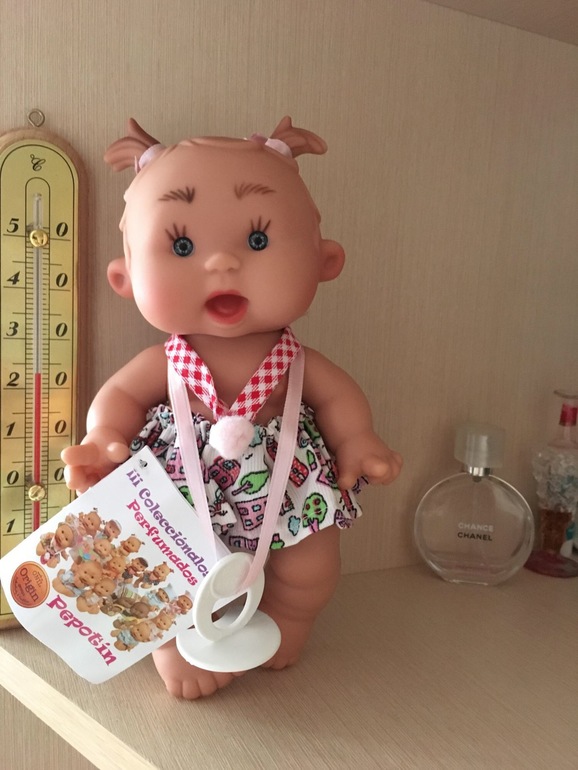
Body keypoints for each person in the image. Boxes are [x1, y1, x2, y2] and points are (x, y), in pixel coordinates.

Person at [62, 116, 402, 698]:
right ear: (125, 278)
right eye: (183, 246)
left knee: (309, 567)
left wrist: (357, 439)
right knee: (159, 565)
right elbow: (121, 396)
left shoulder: (296, 361)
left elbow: (336, 396)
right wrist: (102, 438)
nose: (221, 262)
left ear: (324, 261)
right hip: (179, 488)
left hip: (288, 481)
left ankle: (289, 618)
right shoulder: (165, 361)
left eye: (258, 241)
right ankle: (172, 643)